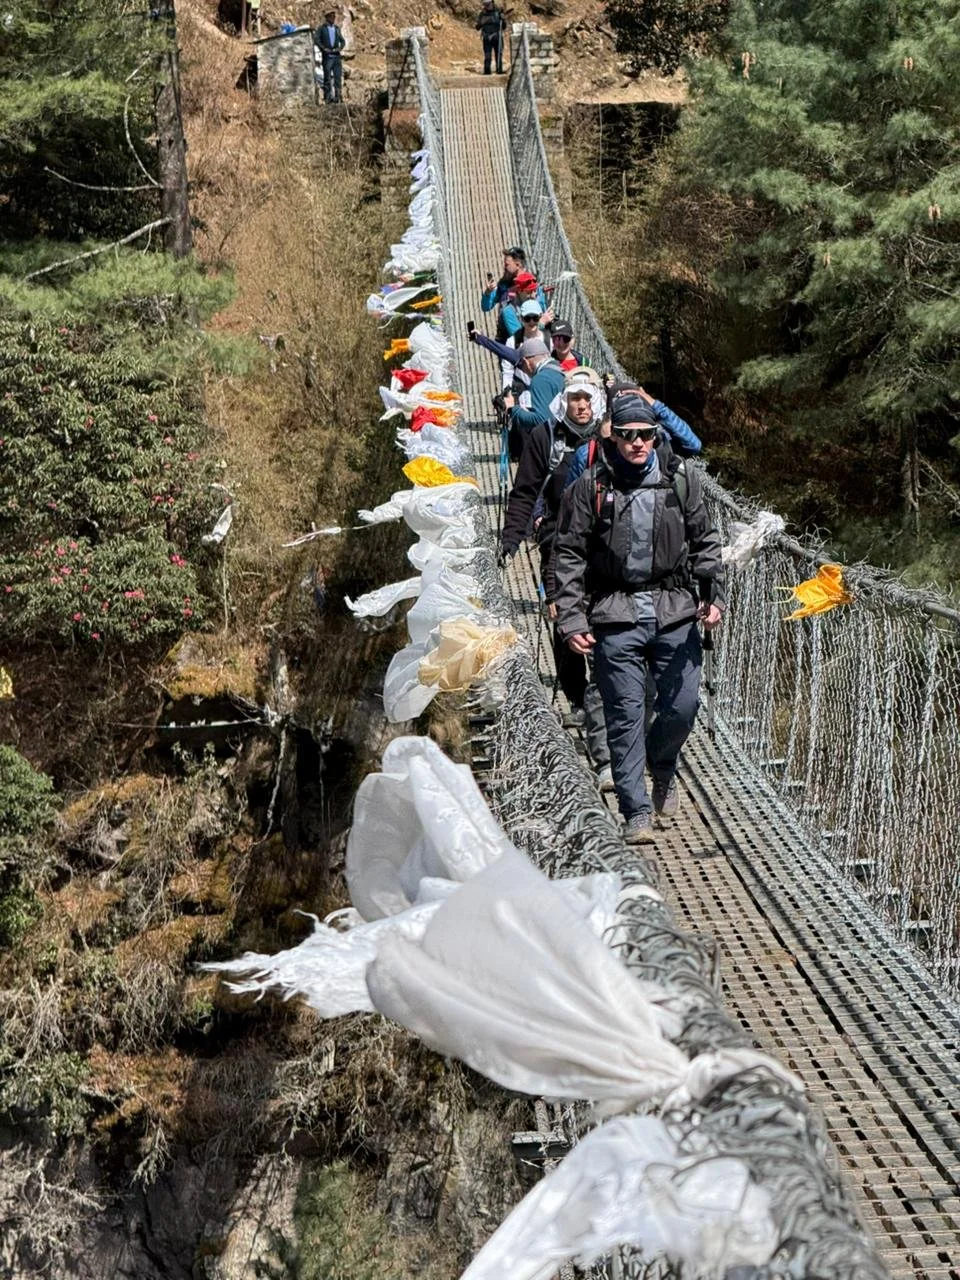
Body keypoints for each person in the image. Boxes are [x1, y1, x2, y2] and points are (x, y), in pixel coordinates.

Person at [554, 393, 724, 845]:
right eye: (628, 435)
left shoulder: (680, 480)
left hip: (675, 608)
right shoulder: (589, 486)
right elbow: (567, 556)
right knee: (625, 713)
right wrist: (572, 620)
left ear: (655, 435)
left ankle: (662, 761)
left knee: (683, 705)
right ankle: (636, 811)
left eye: (645, 435)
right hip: (615, 613)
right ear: (615, 436)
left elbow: (706, 541)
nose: (637, 443)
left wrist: (714, 596)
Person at [500, 371, 611, 773]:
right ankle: (579, 698)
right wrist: (510, 540)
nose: (580, 405)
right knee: (564, 625)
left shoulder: (615, 438)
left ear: (596, 400)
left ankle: (602, 713)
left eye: (587, 398)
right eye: (574, 398)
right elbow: (526, 492)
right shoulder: (545, 438)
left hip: (606, 549)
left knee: (603, 628)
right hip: (558, 546)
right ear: (564, 401)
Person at [503, 337, 565, 458]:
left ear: (526, 362)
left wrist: (513, 409)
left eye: (521, 365)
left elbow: (540, 420)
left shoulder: (540, 379)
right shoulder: (559, 370)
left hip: (551, 449)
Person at [481, 246, 525, 318]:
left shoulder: (530, 284)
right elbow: (486, 307)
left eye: (507, 264)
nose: (504, 267)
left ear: (517, 265)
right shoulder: (504, 284)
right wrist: (488, 292)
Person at [314, 9, 345, 104]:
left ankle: (338, 97)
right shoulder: (322, 29)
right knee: (327, 78)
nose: (333, 18)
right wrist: (323, 48)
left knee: (337, 78)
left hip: (336, 57)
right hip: (327, 57)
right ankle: (328, 98)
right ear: (327, 18)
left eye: (334, 17)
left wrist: (339, 48)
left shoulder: (336, 29)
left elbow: (342, 41)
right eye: (331, 17)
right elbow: (316, 39)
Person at [475, 0, 507, 75]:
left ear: (492, 3)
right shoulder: (482, 14)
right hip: (487, 38)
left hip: (497, 37)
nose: (486, 6)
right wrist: (482, 22)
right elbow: (477, 27)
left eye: (488, 4)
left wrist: (503, 19)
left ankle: (499, 70)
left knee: (498, 55)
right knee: (487, 56)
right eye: (485, 5)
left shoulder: (498, 12)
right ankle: (487, 72)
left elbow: (504, 26)